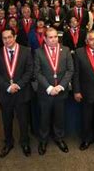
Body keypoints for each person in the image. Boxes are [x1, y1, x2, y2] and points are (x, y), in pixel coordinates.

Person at [0, 29, 33, 158]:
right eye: (4, 38)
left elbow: (29, 71)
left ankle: (25, 142)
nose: (7, 40)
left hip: (22, 92)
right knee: (6, 121)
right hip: (6, 93)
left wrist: (18, 85)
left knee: (23, 120)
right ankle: (9, 142)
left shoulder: (26, 51)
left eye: (9, 37)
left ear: (15, 37)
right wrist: (7, 87)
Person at [34, 27, 74, 155]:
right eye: (50, 37)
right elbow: (37, 72)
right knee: (44, 117)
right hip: (46, 92)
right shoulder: (38, 52)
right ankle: (43, 140)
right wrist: (49, 88)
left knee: (59, 117)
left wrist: (61, 86)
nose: (53, 39)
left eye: (55, 36)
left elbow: (70, 70)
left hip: (61, 91)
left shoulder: (66, 50)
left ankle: (59, 138)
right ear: (45, 39)